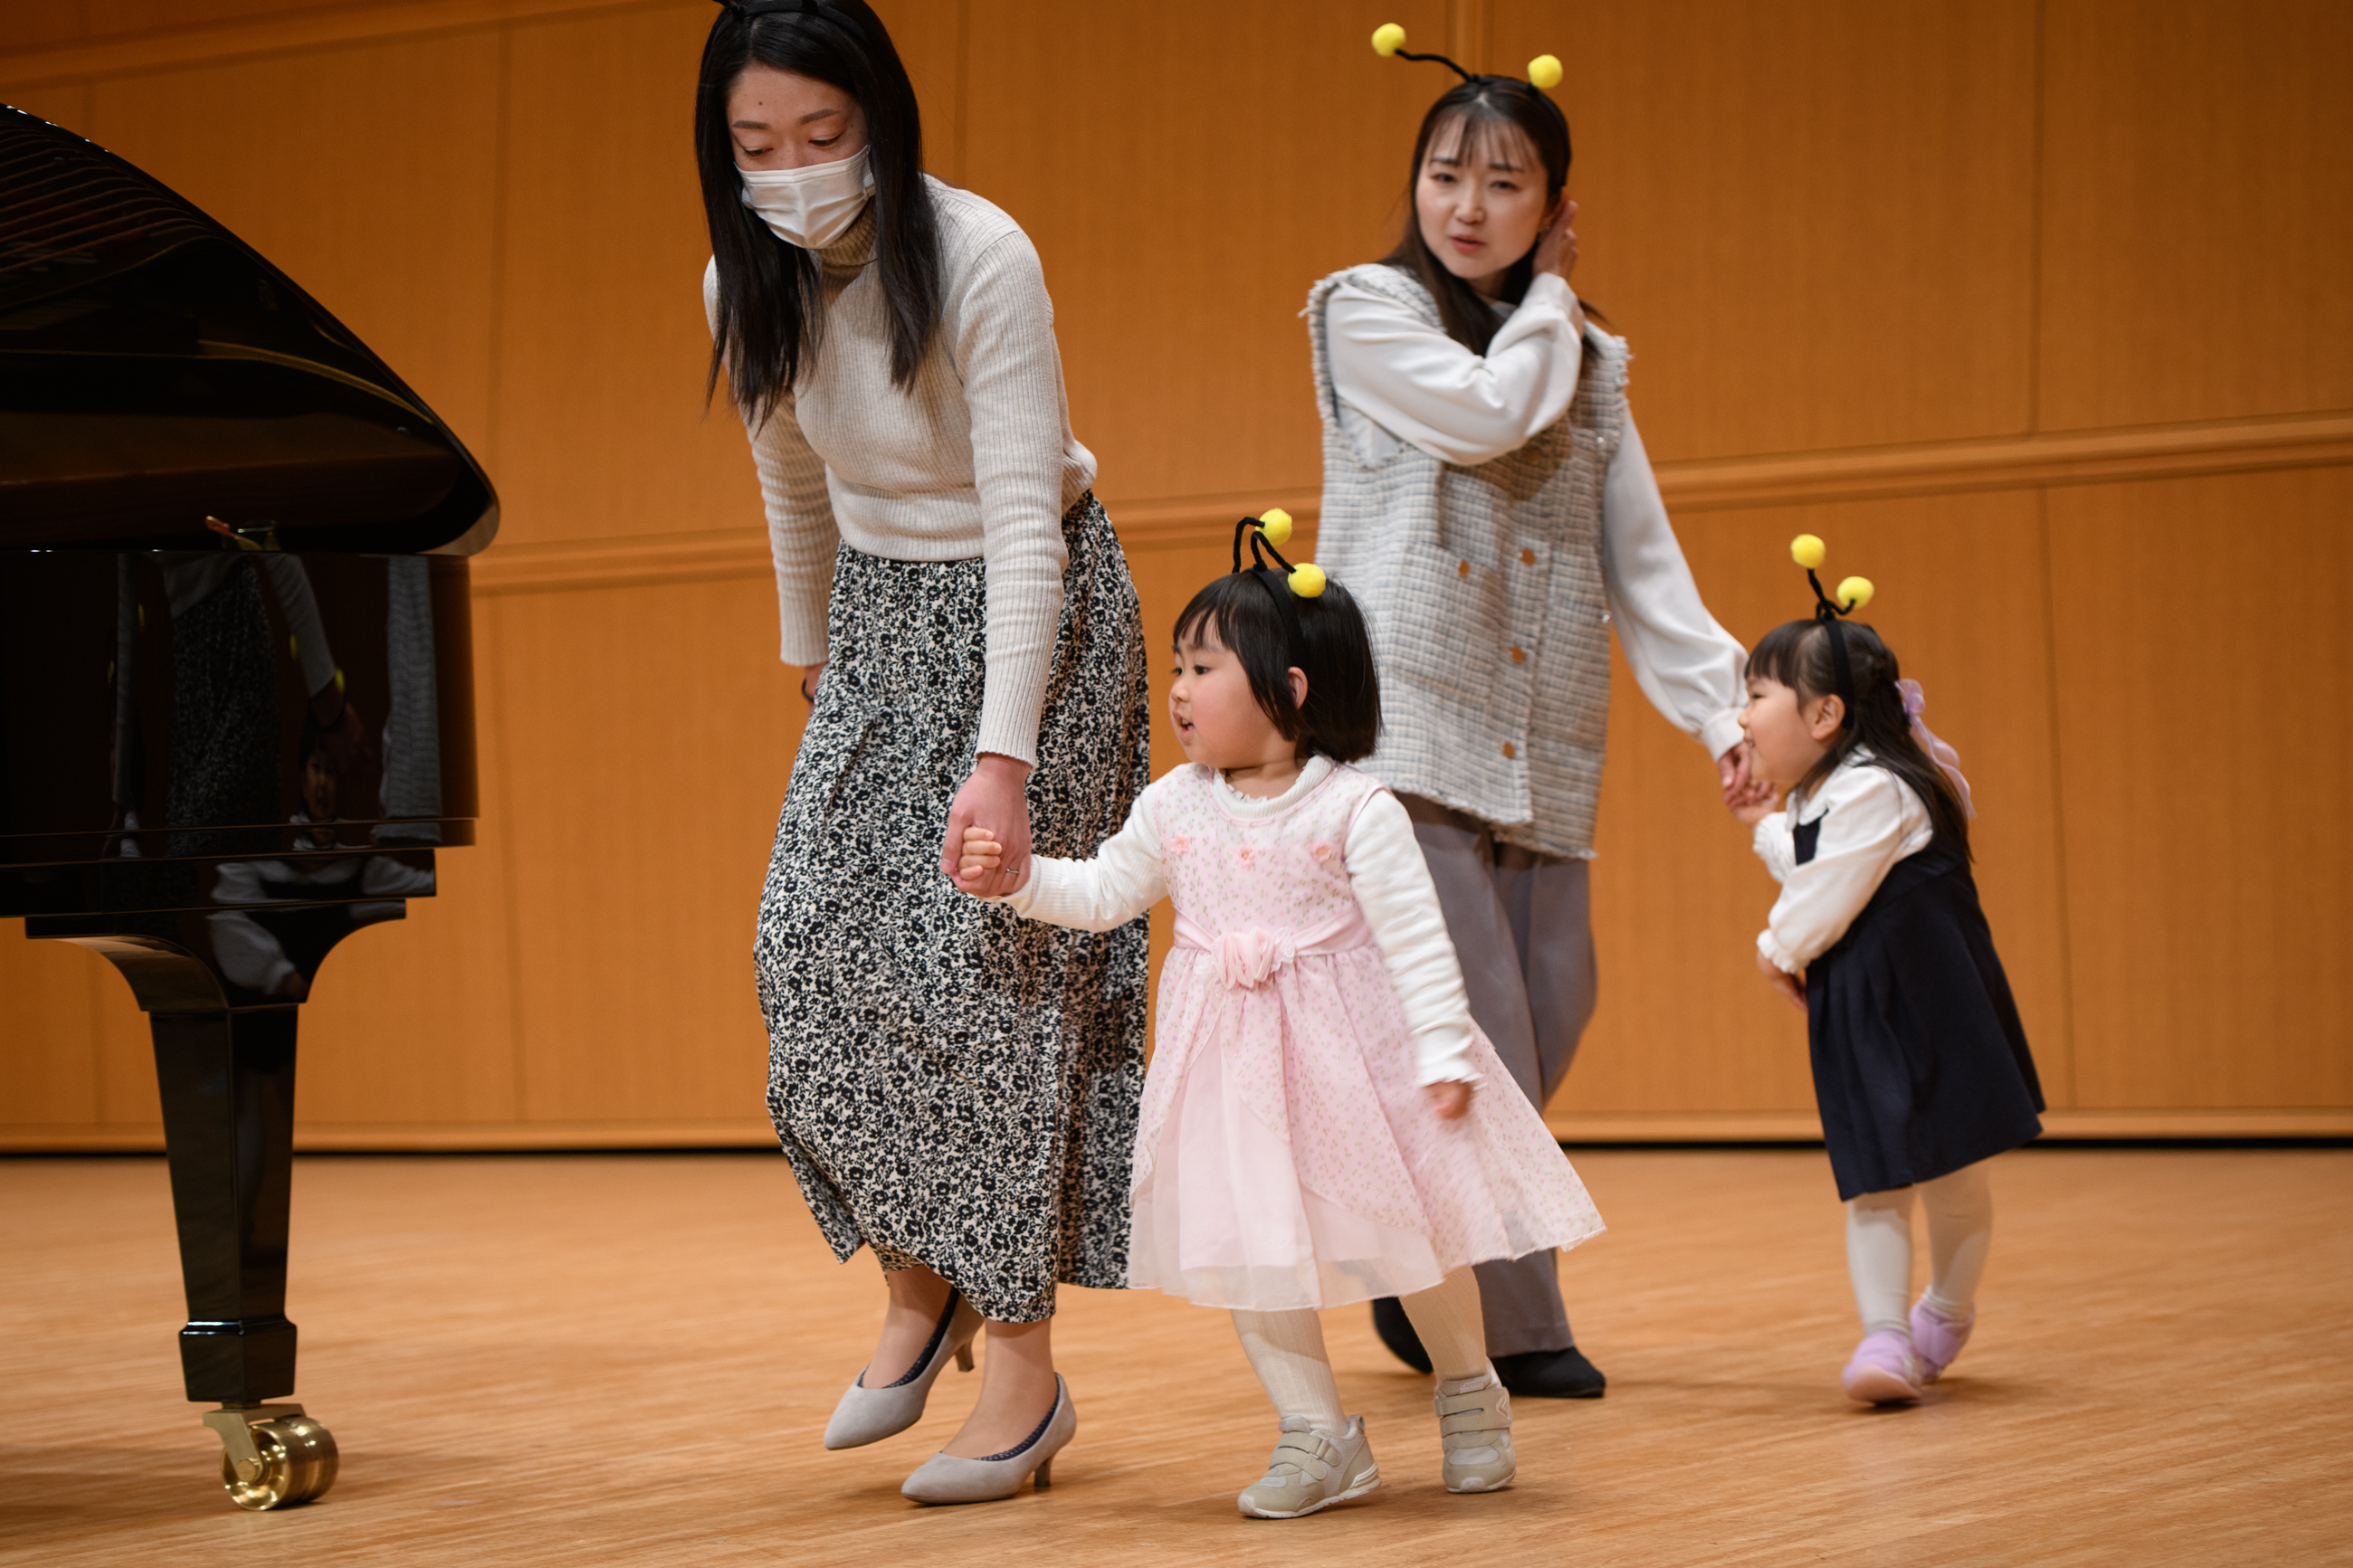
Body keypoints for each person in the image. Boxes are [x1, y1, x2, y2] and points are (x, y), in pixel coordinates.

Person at [694, 0, 1151, 1502]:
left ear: (881, 121)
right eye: (759, 144)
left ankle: (1021, 1377)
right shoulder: (739, 279)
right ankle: (923, 1275)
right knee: (804, 943)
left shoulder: (979, 256)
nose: (795, 170)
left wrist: (1003, 760)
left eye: (823, 137)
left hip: (1039, 613)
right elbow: (788, 473)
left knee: (996, 979)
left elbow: (1025, 513)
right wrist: (810, 654)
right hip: (879, 621)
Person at [957, 520, 1604, 1516]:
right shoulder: (1174, 805)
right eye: (1176, 664)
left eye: (1202, 666)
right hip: (1232, 1074)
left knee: (1412, 1239)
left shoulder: (1354, 808)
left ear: (1290, 690)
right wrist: (1016, 881)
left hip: (1358, 1066)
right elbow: (1100, 892)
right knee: (1251, 1250)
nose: (1176, 686)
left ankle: (1469, 1390)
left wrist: (1441, 1048)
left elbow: (1417, 941)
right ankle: (1314, 1432)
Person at [1309, 27, 1762, 1397]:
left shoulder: (1587, 361)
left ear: (1553, 208)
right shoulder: (1363, 310)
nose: (1466, 206)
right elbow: (1491, 414)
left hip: (1540, 733)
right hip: (1402, 727)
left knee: (1555, 1006)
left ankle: (1413, 1256)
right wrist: (1557, 301)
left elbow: (1643, 558)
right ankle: (1513, 1327)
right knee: (1488, 1030)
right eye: (1446, 175)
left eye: (1504, 186)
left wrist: (1724, 712)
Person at [1728, 537, 2045, 1405]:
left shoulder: (1876, 787)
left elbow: (1824, 892)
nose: (1743, 718)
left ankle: (1945, 1308)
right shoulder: (1829, 795)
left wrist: (1776, 950)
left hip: (1934, 1009)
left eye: (1755, 695)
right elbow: (1810, 866)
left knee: (1953, 1176)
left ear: (1825, 716)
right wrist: (1765, 815)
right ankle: (1886, 1337)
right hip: (1868, 1010)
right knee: (1874, 1176)